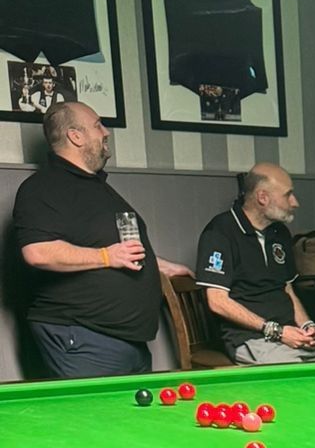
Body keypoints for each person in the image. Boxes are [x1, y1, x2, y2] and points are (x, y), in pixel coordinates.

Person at [14, 101, 190, 378]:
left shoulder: (97, 188)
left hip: (125, 339)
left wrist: (162, 266)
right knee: (98, 408)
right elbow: (38, 252)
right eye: (98, 125)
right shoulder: (42, 188)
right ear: (76, 136)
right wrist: (106, 256)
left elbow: (111, 245)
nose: (106, 132)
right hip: (84, 337)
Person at [195, 164, 315, 364]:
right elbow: (217, 301)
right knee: (296, 372)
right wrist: (276, 331)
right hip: (250, 339)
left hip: (290, 336)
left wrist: (307, 325)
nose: (295, 202)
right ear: (263, 197)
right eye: (288, 195)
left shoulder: (280, 232)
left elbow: (287, 289)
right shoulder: (220, 232)